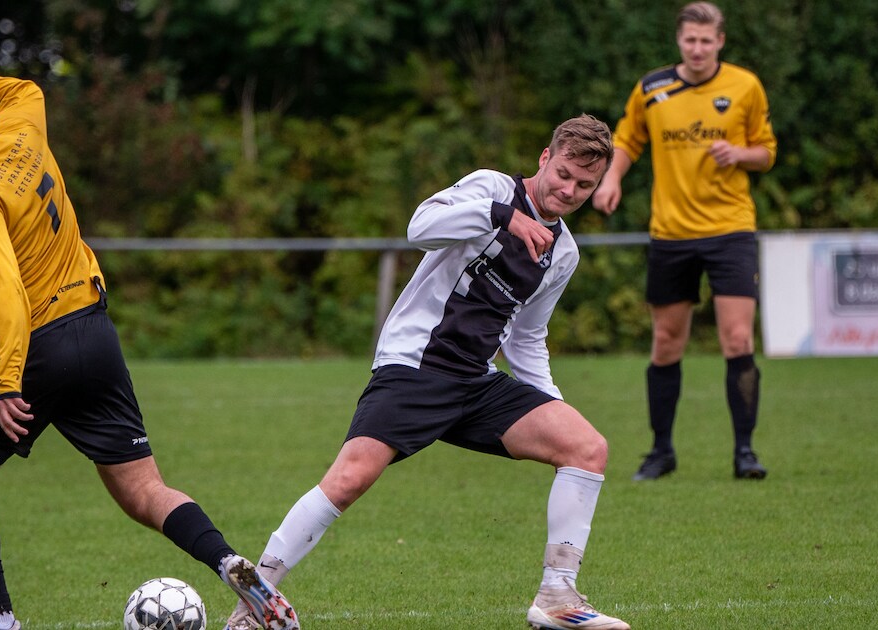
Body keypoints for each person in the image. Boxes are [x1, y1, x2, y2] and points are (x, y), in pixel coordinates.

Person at [0, 72, 299, 630]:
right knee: (143, 488)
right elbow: (22, 88)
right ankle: (227, 561)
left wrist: (6, 382)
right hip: (94, 333)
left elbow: (5, 295)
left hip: (36, 347)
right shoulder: (17, 130)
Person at [223, 115, 629, 630]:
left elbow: (526, 337)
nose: (569, 190)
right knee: (350, 479)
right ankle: (254, 603)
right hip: (416, 365)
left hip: (475, 381)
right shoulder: (493, 188)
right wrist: (503, 216)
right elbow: (420, 228)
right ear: (545, 158)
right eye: (564, 174)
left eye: (584, 185)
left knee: (586, 447)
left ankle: (557, 596)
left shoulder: (563, 253)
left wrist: (553, 404)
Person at [592, 1, 778, 481]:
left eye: (706, 40)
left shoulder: (745, 86)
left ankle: (744, 452)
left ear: (720, 41)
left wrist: (739, 152)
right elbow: (627, 141)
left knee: (737, 338)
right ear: (680, 41)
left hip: (730, 228)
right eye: (689, 40)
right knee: (666, 342)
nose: (697, 48)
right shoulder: (652, 88)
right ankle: (661, 452)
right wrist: (612, 179)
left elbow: (767, 152)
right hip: (671, 233)